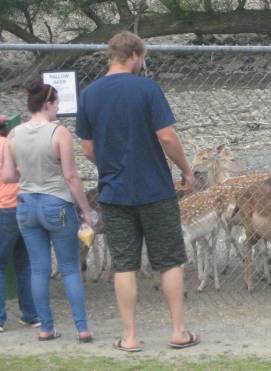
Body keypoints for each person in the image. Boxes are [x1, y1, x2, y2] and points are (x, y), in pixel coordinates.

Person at [75, 31, 199, 352]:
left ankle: (129, 337)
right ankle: (178, 331)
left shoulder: (88, 95)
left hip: (114, 193)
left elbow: (88, 149)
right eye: (142, 58)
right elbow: (168, 137)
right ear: (134, 55)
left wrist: (112, 161)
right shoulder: (147, 88)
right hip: (155, 189)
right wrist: (186, 170)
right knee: (169, 261)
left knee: (124, 265)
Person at [2, 81, 94, 342]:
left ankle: (46, 327)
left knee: (39, 269)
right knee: (69, 267)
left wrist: (27, 170)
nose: (58, 108)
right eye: (57, 104)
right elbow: (71, 175)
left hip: (26, 205)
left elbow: (8, 175)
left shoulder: (14, 134)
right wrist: (85, 209)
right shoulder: (59, 132)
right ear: (48, 104)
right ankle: (82, 327)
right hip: (57, 203)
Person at [0, 114, 40, 333]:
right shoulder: (14, 145)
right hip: (23, 204)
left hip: (3, 208)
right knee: (24, 264)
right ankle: (31, 315)